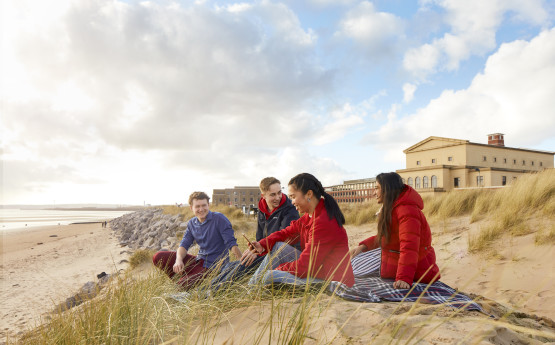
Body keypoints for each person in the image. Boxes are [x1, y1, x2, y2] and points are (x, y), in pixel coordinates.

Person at [246, 173, 355, 287]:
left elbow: (304, 267)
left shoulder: (323, 222)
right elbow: (286, 233)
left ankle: (252, 289)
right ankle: (252, 287)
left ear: (308, 194)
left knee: (270, 276)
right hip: (317, 269)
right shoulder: (309, 216)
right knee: (278, 247)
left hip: (331, 279)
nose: (292, 202)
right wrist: (262, 244)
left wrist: (280, 268)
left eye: (293, 197)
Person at [349, 172, 440, 289]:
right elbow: (388, 237)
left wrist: (403, 278)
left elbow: (409, 246)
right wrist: (363, 246)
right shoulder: (393, 207)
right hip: (396, 257)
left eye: (377, 188)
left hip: (419, 267)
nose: (374, 193)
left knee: (353, 270)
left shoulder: (407, 210)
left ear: (387, 189)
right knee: (355, 260)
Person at [210, 177, 299, 288]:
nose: (278, 197)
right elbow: (259, 236)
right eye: (272, 195)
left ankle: (210, 292)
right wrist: (254, 250)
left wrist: (259, 251)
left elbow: (284, 239)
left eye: (279, 192)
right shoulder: (261, 209)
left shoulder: (290, 209)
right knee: (228, 266)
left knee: (243, 265)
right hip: (265, 251)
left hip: (282, 253)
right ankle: (201, 291)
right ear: (263, 196)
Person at [152, 191, 242, 289]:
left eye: (204, 205)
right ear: (191, 208)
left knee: (182, 285)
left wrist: (242, 265)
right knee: (158, 257)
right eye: (197, 206)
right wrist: (178, 260)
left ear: (208, 205)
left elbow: (231, 244)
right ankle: (181, 278)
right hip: (198, 261)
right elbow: (184, 245)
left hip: (213, 267)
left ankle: (184, 283)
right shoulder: (192, 223)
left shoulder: (219, 219)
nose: (201, 209)